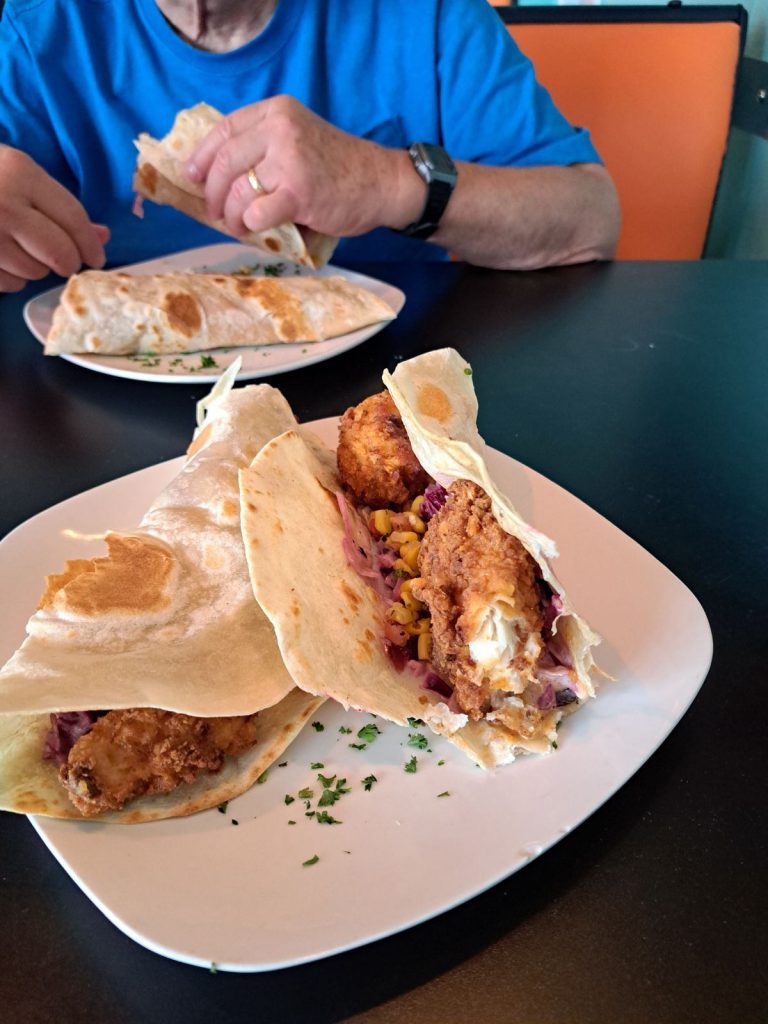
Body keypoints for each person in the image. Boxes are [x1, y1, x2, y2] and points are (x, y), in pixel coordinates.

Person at [0, 0, 619, 293]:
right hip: (97, 427)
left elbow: (590, 218)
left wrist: (386, 182)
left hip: (380, 419)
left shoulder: (425, 15)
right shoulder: (32, 34)